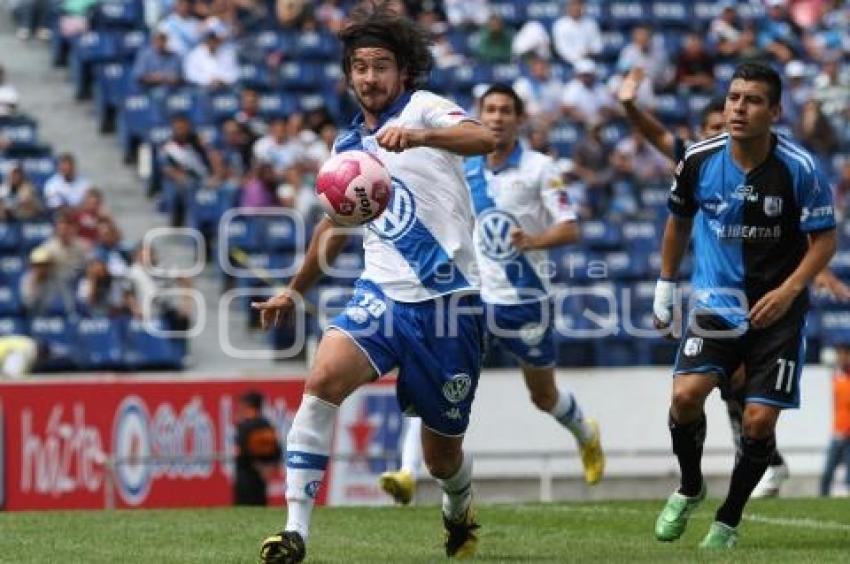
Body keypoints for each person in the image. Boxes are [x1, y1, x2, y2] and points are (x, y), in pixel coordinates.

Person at [250, 5, 496, 563]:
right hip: (382, 297)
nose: (369, 77)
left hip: (449, 307)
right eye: (359, 66)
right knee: (322, 378)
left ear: (403, 72)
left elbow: (482, 137)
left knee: (440, 458)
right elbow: (333, 229)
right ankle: (295, 532)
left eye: (380, 66)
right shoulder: (347, 151)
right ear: (348, 74)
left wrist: (424, 135)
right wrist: (294, 288)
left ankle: (459, 509)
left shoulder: (427, 110)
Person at [617, 66, 847, 499]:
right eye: (729, 104)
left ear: (772, 112)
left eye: (749, 102)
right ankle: (738, 467)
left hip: (766, 300)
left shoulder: (791, 168)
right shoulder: (698, 160)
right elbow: (661, 149)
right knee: (708, 389)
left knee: (740, 388)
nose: (732, 116)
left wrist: (814, 277)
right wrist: (629, 105)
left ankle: (761, 460)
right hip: (716, 297)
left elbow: (809, 240)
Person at [379, 84, 605, 506]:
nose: (498, 117)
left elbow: (570, 226)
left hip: (524, 299)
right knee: (435, 382)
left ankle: (585, 432)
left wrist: (534, 241)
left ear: (519, 119)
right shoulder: (463, 165)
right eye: (490, 110)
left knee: (543, 396)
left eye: (506, 110)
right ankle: (407, 472)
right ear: (480, 117)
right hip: (469, 296)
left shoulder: (540, 169)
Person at [234, 390, 283, 506]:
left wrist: (259, 467)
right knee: (260, 507)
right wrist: (269, 468)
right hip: (262, 478)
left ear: (247, 405)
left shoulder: (245, 426)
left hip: (246, 476)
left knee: (243, 510)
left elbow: (243, 451)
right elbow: (277, 450)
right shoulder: (267, 425)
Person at [820, 342, 850, 496]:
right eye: (839, 355)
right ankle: (821, 502)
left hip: (849, 436)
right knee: (827, 474)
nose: (842, 358)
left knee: (848, 477)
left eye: (845, 354)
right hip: (837, 433)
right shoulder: (837, 378)